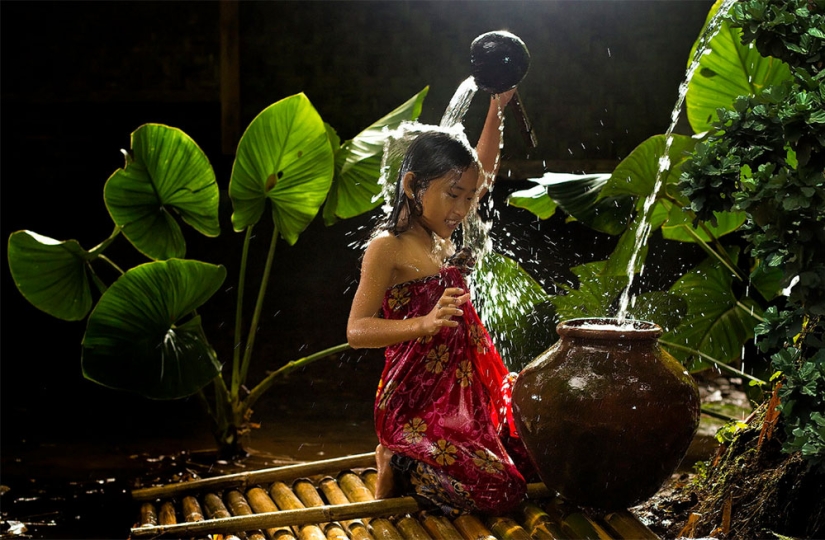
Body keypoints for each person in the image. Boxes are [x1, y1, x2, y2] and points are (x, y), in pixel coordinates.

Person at [346, 90, 533, 516]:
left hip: (467, 393)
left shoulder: (437, 237)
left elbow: (481, 170)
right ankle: (398, 458)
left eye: (469, 198)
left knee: (530, 458)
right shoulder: (387, 247)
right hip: (417, 403)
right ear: (413, 184)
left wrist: (495, 109)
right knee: (500, 493)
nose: (463, 208)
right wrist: (424, 324)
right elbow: (356, 330)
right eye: (453, 195)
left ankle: (409, 460)